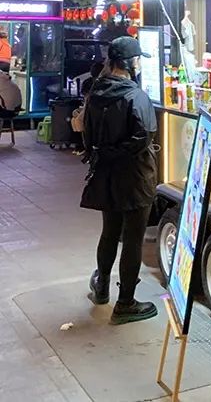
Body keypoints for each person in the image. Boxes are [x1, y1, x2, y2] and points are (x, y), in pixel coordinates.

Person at [81, 37, 158, 325]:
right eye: (137, 59)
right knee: (133, 240)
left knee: (110, 231)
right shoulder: (136, 96)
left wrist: (105, 155)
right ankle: (126, 302)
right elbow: (144, 136)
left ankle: (101, 287)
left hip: (105, 174)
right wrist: (119, 153)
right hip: (135, 176)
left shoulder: (96, 93)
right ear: (128, 63)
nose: (139, 64)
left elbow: (87, 136)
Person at [71, 61, 105, 155]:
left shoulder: (101, 83)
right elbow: (85, 97)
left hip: (94, 109)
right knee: (74, 117)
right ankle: (79, 145)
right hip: (87, 107)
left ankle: (83, 146)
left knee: (78, 120)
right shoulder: (89, 82)